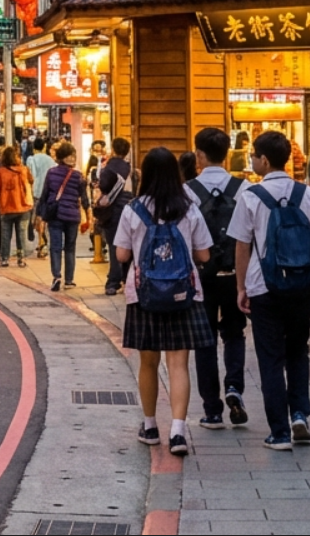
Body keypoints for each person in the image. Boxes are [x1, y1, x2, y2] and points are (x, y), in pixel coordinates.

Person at [228, 130, 310, 451]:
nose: (252, 160)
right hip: (302, 285)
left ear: (265, 160)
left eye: (254, 155)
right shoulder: (308, 194)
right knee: (298, 351)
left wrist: (241, 287)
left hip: (264, 288)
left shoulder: (251, 196)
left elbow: (242, 247)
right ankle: (299, 414)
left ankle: (280, 433)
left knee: (270, 359)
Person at [112, 146, 214, 458]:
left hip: (143, 295)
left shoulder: (133, 209)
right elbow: (204, 254)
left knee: (148, 362)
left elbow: (121, 255)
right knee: (178, 363)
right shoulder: (190, 207)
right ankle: (179, 431)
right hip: (185, 294)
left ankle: (150, 426)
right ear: (175, 173)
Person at [188, 127, 249, 430]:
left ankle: (212, 410)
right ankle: (235, 387)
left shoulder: (187, 191)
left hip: (202, 278)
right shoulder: (245, 188)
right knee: (235, 333)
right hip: (236, 275)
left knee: (205, 341)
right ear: (227, 155)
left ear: (199, 154)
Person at [39, 142, 91, 292]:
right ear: (64, 157)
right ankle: (69, 280)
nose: (73, 158)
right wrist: (88, 215)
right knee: (70, 248)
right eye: (71, 155)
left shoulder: (51, 173)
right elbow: (84, 198)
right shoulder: (78, 176)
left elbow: (44, 195)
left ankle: (57, 277)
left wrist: (40, 215)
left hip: (55, 215)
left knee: (55, 247)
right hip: (72, 216)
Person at [95, 138, 134, 296]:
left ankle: (113, 281)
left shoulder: (109, 167)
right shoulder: (131, 169)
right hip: (130, 208)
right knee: (129, 245)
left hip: (113, 210)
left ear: (113, 149)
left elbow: (103, 186)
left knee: (113, 245)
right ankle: (127, 278)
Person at [0, 146, 34, 267]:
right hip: (23, 207)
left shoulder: (0, 172)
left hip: (6, 208)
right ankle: (21, 259)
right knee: (22, 235)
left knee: (6, 235)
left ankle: (5, 259)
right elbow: (31, 181)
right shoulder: (24, 170)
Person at [27, 137, 53, 258]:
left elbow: (31, 176)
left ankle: (42, 243)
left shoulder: (31, 159)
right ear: (44, 147)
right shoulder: (51, 160)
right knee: (46, 219)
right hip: (49, 193)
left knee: (38, 219)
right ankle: (43, 244)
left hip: (37, 193)